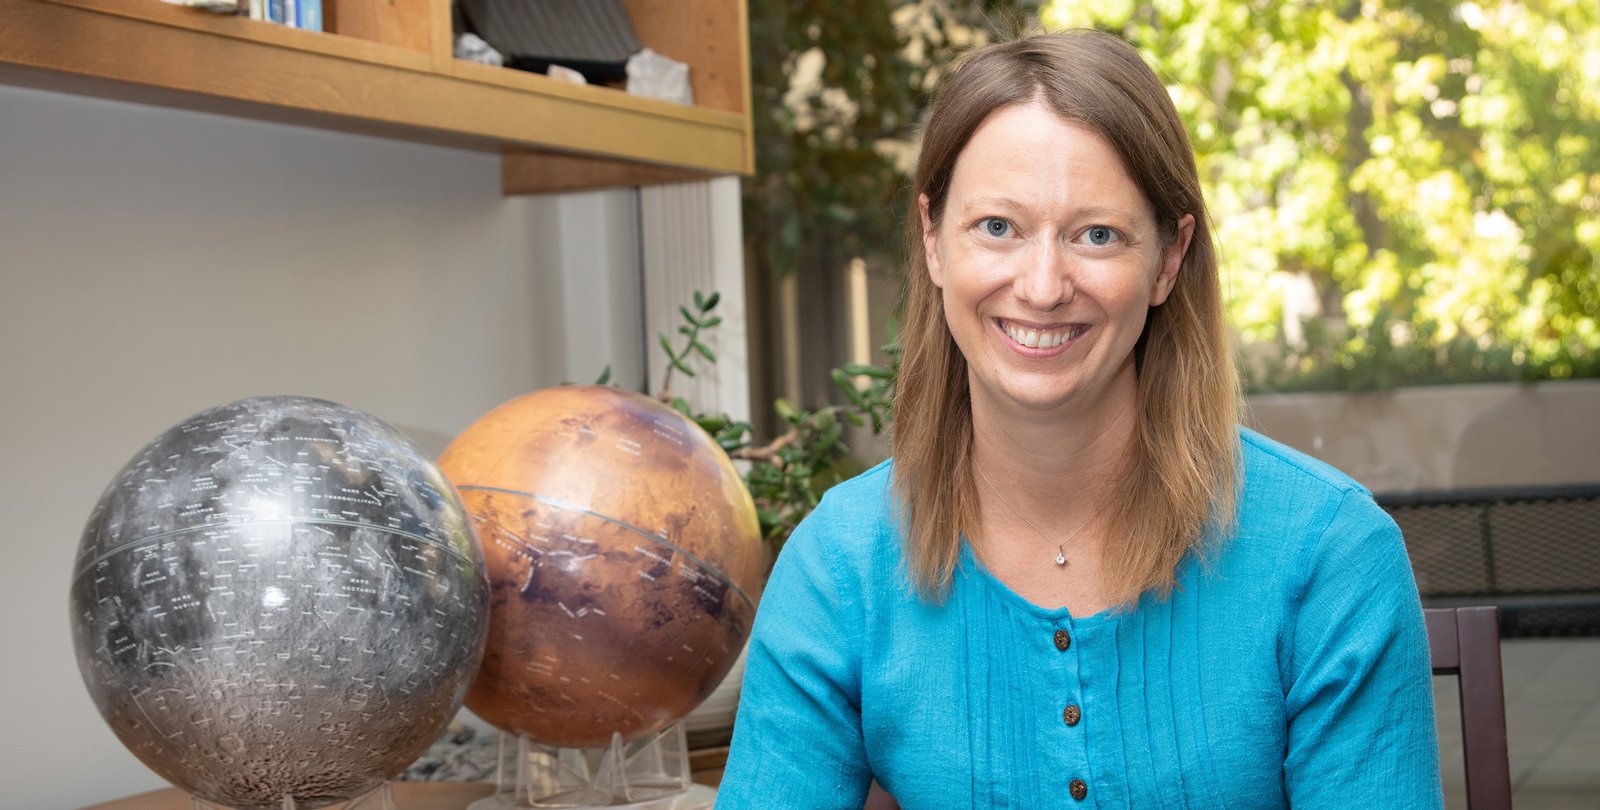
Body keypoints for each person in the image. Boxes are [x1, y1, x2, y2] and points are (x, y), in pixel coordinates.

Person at [716, 29, 1442, 809]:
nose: (1042, 286)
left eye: (1097, 235)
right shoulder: (841, 564)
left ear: (1168, 259)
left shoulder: (1328, 553)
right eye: (998, 227)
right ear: (933, 241)